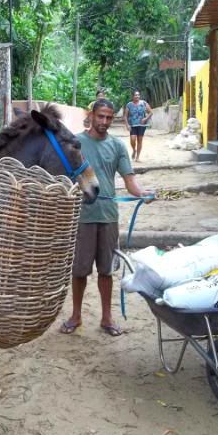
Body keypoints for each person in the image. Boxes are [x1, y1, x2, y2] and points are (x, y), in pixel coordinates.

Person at [60, 98, 153, 337]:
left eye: (109, 117)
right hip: (82, 217)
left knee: (106, 270)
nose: (104, 122)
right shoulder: (76, 144)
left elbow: (130, 182)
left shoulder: (118, 147)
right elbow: (63, 179)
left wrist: (142, 193)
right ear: (91, 115)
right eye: (101, 116)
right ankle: (76, 315)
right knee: (79, 270)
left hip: (108, 216)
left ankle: (106, 317)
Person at [123, 90, 153, 162]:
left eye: (138, 95)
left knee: (140, 140)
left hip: (142, 125)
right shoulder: (129, 105)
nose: (137, 96)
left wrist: (145, 118)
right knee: (132, 139)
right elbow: (125, 116)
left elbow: (151, 112)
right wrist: (127, 125)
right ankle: (134, 150)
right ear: (132, 96)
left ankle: (138, 157)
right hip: (132, 125)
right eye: (135, 95)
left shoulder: (143, 103)